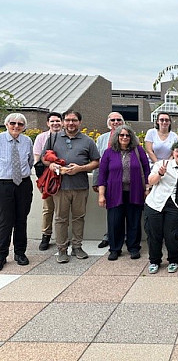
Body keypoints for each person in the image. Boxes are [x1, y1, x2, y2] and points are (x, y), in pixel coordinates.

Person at [42, 110, 100, 263]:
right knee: (60, 219)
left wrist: (80, 168)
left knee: (78, 218)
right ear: (63, 122)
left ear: (79, 122)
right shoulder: (53, 138)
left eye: (74, 120)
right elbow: (45, 159)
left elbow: (96, 162)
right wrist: (55, 166)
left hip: (80, 186)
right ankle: (62, 249)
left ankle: (77, 247)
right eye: (67, 120)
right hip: (60, 186)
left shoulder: (88, 141)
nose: (70, 123)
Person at [97, 125, 150, 261]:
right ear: (117, 137)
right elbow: (102, 175)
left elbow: (146, 169)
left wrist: (147, 188)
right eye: (122, 135)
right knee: (115, 222)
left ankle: (133, 248)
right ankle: (115, 249)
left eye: (127, 135)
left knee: (134, 221)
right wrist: (101, 195)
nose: (125, 137)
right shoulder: (109, 152)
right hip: (114, 193)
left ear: (131, 137)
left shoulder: (138, 150)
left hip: (135, 192)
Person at [144, 141, 178, 274]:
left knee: (172, 234)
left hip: (176, 205)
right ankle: (154, 261)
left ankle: (173, 260)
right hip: (156, 203)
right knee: (154, 234)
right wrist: (160, 174)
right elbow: (150, 181)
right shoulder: (161, 164)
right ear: (173, 152)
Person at [0, 113, 34, 270]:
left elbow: (30, 161)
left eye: (20, 124)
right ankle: (1, 254)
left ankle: (20, 253)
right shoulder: (0, 139)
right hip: (4, 185)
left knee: (21, 219)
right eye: (13, 123)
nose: (16, 126)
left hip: (23, 185)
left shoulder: (27, 141)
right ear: (6, 124)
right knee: (5, 221)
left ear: (24, 127)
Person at [92, 112, 124, 249]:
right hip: (108, 180)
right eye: (113, 120)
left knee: (125, 209)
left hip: (125, 179)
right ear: (108, 122)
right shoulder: (102, 139)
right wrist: (97, 181)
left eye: (118, 120)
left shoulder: (128, 136)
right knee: (110, 209)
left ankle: (124, 236)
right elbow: (98, 161)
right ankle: (109, 236)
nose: (115, 122)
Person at [33, 111, 62, 251]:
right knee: (48, 208)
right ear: (47, 123)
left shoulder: (66, 137)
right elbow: (38, 159)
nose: (55, 123)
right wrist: (50, 164)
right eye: (52, 121)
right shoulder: (41, 138)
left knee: (62, 209)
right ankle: (46, 235)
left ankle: (63, 237)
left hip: (64, 177)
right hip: (47, 178)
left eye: (58, 121)